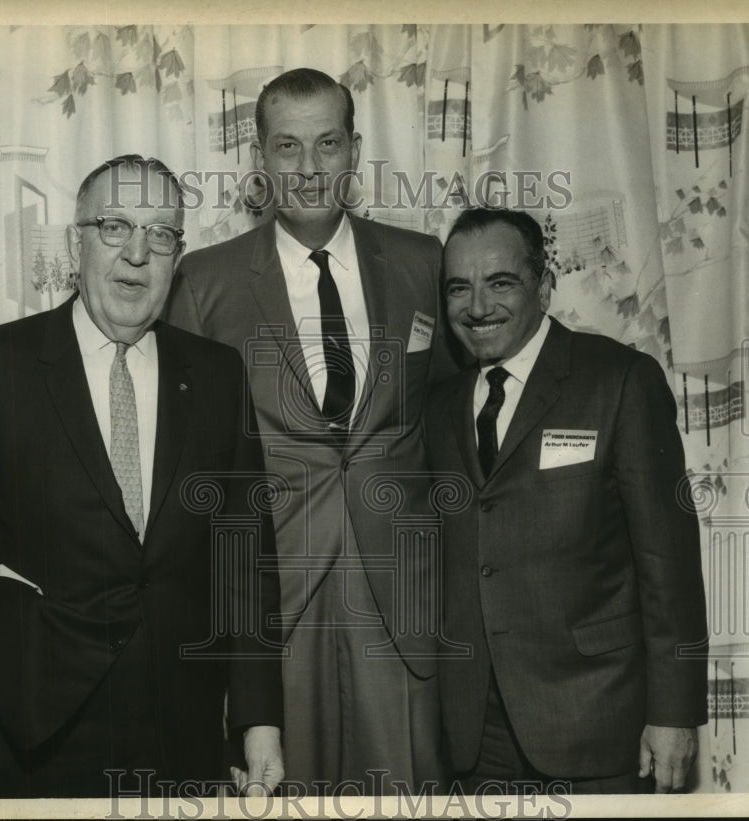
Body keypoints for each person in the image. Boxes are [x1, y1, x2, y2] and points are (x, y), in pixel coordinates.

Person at [0, 155, 283, 798]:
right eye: (114, 226)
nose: (138, 252)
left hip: (182, 740)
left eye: (161, 233)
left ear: (177, 256)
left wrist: (258, 722)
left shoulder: (218, 375)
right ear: (75, 242)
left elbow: (244, 563)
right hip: (31, 741)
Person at [165, 68, 456, 793]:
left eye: (327, 144)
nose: (308, 168)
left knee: (405, 794)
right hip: (275, 604)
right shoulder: (203, 283)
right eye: (287, 147)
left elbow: (455, 418)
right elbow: (187, 472)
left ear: (355, 149)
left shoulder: (424, 263)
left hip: (401, 600)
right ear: (260, 159)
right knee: (279, 795)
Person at [425, 207, 708, 794]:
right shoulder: (438, 407)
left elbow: (669, 565)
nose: (478, 306)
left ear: (545, 286)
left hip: (598, 722)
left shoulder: (620, 381)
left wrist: (675, 713)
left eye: (500, 282)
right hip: (474, 735)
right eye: (460, 287)